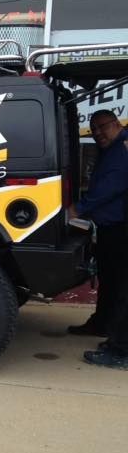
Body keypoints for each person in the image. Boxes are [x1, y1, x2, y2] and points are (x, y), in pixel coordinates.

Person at [67, 109, 128, 338]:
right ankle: (101, 325)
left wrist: (78, 208)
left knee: (119, 284)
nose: (98, 133)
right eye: (93, 129)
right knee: (109, 281)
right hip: (109, 228)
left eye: (103, 127)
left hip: (120, 229)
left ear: (117, 124)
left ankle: (117, 341)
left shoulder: (122, 149)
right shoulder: (111, 148)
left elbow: (111, 186)